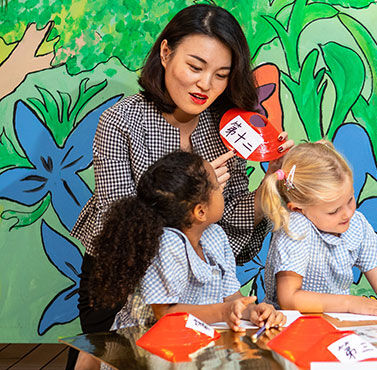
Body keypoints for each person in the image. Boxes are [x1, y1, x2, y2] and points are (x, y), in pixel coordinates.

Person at [69, 4, 292, 368]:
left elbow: (227, 227)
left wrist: (271, 182)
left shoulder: (229, 128)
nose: (206, 85)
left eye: (221, 75)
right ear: (166, 52)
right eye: (195, 67)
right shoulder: (120, 121)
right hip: (118, 282)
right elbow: (120, 228)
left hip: (197, 294)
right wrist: (187, 197)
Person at [89, 151, 285, 332]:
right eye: (217, 186)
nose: (222, 191)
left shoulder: (216, 236)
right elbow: (164, 313)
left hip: (192, 341)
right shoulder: (168, 244)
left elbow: (233, 298)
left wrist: (252, 311)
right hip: (144, 348)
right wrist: (223, 312)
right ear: (200, 211)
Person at [259, 141, 377, 315]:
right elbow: (289, 299)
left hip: (336, 327)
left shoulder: (357, 224)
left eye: (350, 200)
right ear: (299, 209)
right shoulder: (296, 227)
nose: (347, 213)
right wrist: (350, 303)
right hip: (292, 329)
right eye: (333, 211)